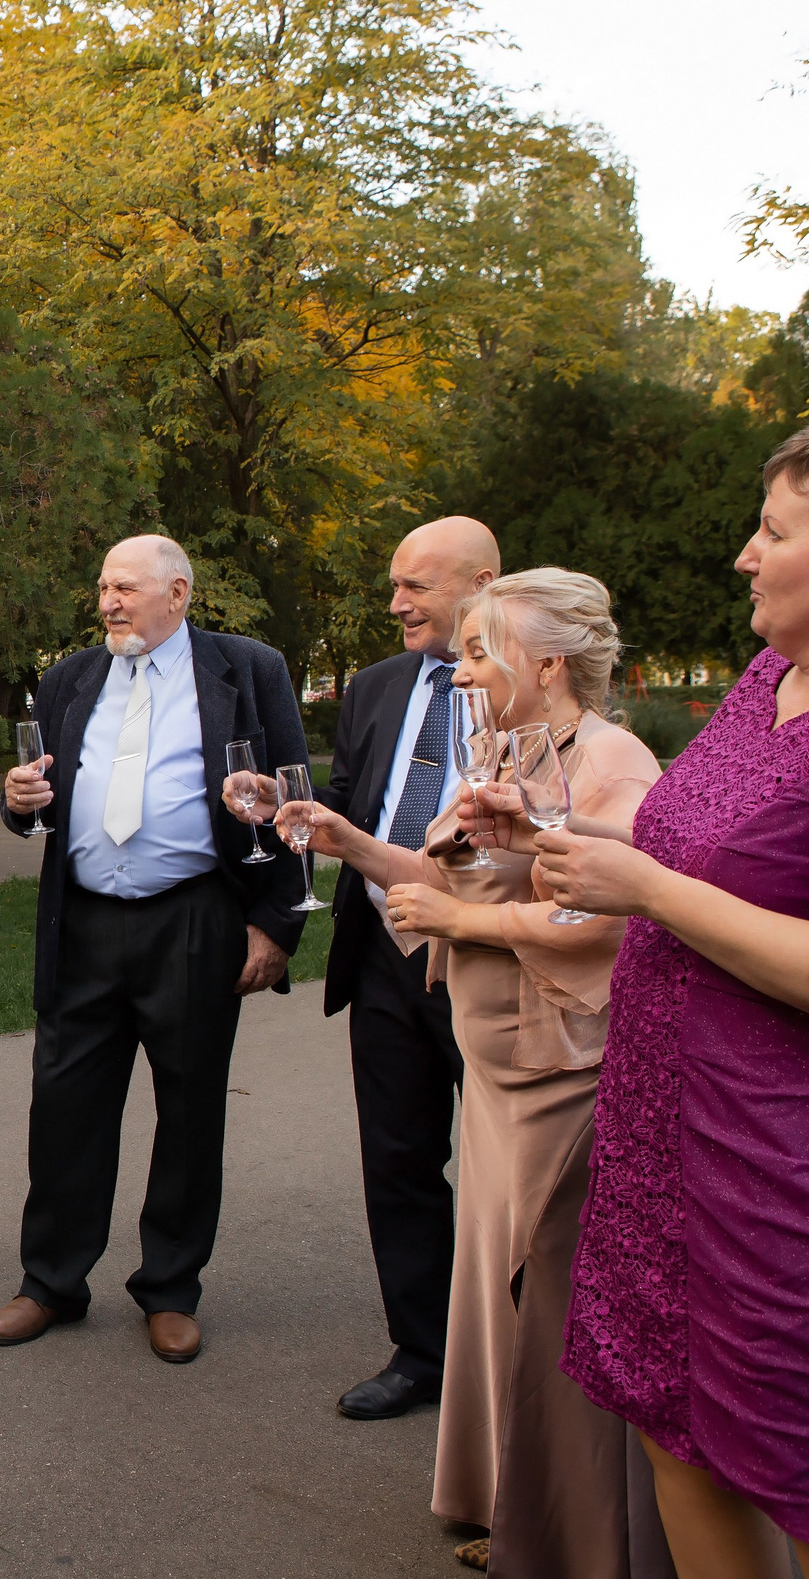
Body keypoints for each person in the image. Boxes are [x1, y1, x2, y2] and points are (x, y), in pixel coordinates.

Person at [503, 414, 809, 1578]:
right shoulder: (770, 676)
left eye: (773, 532)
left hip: (791, 1199)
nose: (743, 553)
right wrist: (562, 835)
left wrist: (652, 893)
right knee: (684, 1456)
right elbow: (702, 852)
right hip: (663, 1162)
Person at [275, 569, 669, 1577]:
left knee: (549, 1303)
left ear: (547, 663)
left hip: (562, 1073)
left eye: (483, 651)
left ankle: (575, 1534)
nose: (462, 670)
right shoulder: (494, 750)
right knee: (496, 1302)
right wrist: (349, 842)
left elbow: (612, 909)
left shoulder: (614, 759)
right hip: (496, 1075)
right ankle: (511, 1500)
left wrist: (467, 923)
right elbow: (437, 874)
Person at [0, 535, 308, 1363]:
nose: (108, 602)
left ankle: (170, 1286)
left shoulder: (248, 669)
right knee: (63, 1108)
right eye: (102, 587)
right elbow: (39, 803)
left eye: (125, 587)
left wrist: (276, 925)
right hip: (84, 920)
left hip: (194, 918)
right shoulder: (70, 678)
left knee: (191, 1109)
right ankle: (50, 1281)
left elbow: (294, 799)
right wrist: (16, 801)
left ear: (180, 593)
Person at [309, 516, 501, 1419]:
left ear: (482, 581)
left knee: (513, 1170)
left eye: (415, 586)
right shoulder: (378, 686)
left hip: (493, 958)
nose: (396, 603)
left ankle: (516, 1360)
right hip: (385, 953)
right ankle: (422, 1352)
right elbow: (351, 800)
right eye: (395, 584)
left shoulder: (523, 677)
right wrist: (292, 807)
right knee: (397, 1159)